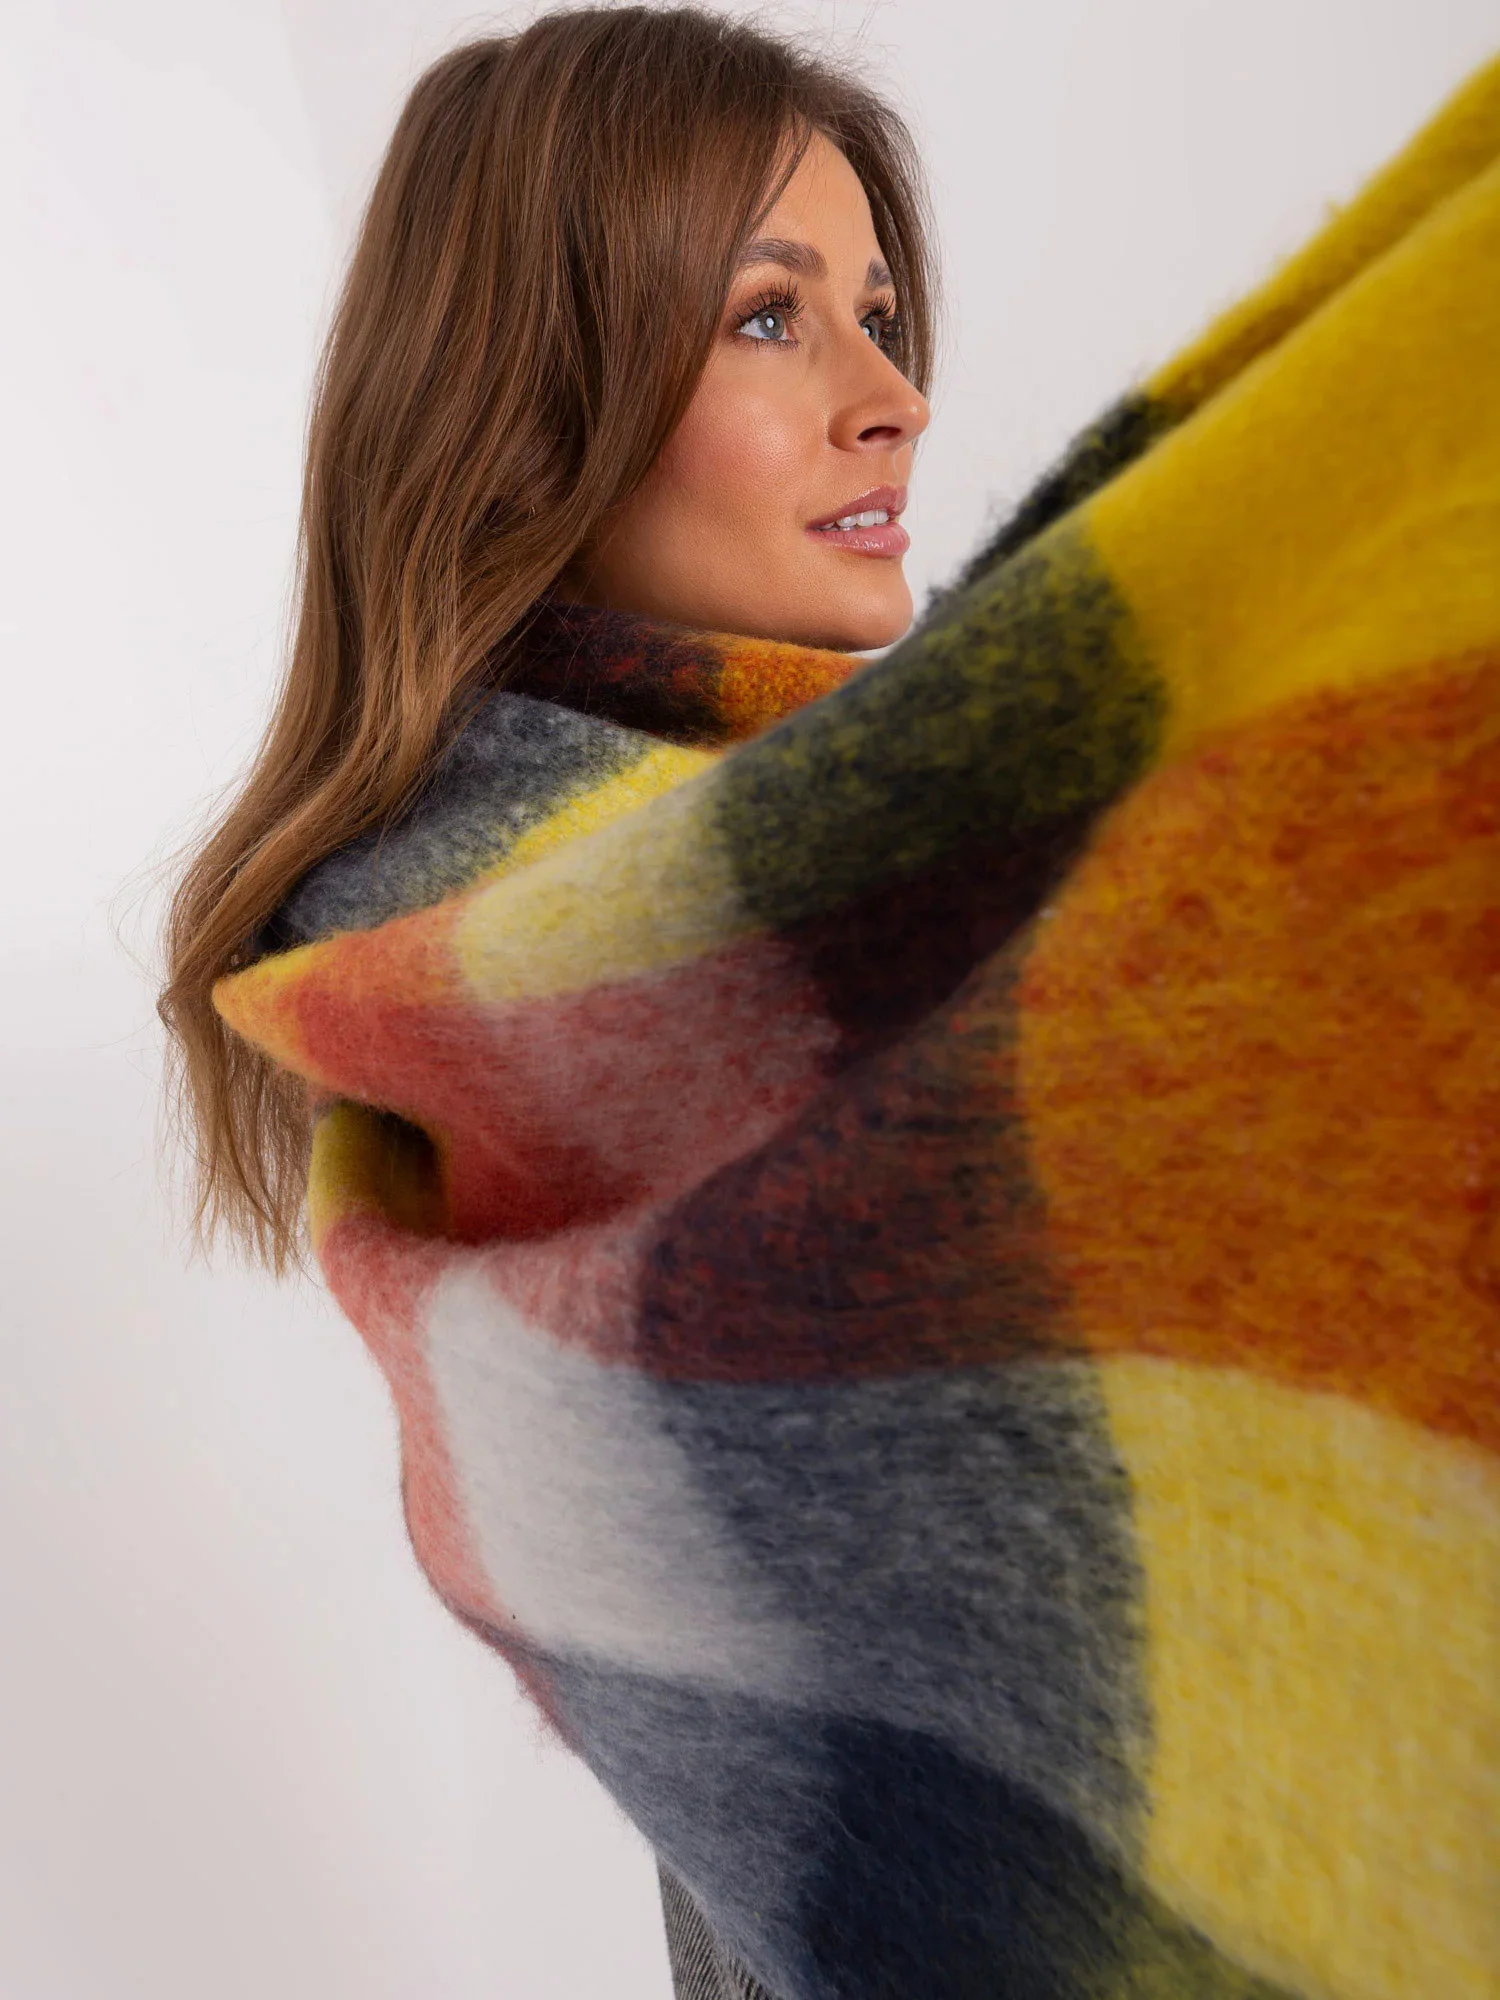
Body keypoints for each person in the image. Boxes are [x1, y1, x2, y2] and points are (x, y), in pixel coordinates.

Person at [160, 13, 1500, 1999]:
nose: (894, 399)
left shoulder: (843, 881)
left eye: (878, 316)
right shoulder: (536, 981)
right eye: (771, 320)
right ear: (532, 406)